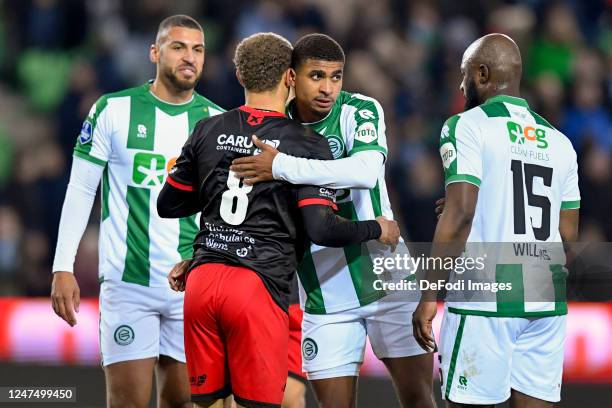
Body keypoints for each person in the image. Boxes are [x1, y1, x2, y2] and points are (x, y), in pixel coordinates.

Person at [157, 32, 400, 408]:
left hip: (202, 282)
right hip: (259, 285)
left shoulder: (208, 129)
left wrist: (216, 180)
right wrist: (376, 228)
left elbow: (168, 203)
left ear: (239, 76)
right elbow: (321, 228)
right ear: (290, 77)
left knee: (208, 403)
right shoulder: (304, 142)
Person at [230, 34, 434, 408]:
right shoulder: (274, 128)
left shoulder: (360, 110)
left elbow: (366, 171)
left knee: (419, 399)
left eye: (336, 77)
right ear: (292, 77)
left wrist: (280, 166)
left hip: (388, 279)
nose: (328, 88)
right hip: (324, 292)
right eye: (317, 76)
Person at [50, 15, 224, 408]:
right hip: (128, 283)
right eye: (178, 47)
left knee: (183, 401)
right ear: (154, 52)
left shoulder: (216, 122)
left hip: (192, 287)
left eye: (197, 49)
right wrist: (63, 265)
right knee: (128, 403)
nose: (189, 57)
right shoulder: (113, 110)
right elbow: (81, 188)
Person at [412, 33, 580, 407]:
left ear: (482, 74)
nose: (461, 84)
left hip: (484, 298)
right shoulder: (559, 141)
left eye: (464, 74)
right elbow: (566, 233)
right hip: (544, 298)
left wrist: (428, 295)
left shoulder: (466, 125)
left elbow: (461, 215)